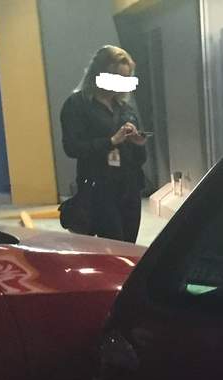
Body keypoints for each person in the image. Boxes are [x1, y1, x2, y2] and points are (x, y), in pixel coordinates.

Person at [60, 45, 148, 243]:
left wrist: (138, 143)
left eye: (125, 78)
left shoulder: (126, 109)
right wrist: (110, 141)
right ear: (99, 74)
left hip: (130, 187)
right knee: (113, 243)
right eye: (117, 77)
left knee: (129, 246)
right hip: (99, 187)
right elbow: (72, 147)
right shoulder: (77, 105)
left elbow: (140, 159)